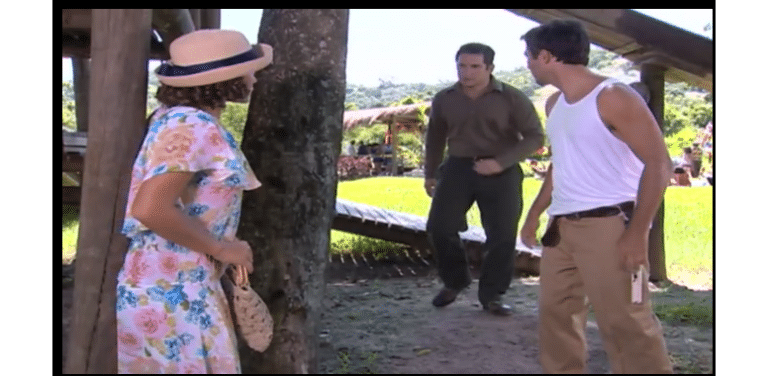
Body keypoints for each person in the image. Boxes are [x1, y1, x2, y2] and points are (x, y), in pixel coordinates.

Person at [519, 20, 674, 373]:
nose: (527, 64)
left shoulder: (614, 97)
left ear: (546, 56)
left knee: (625, 322)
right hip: (562, 229)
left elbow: (659, 164)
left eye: (529, 57)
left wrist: (637, 233)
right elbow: (562, 165)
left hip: (611, 226)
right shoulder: (555, 103)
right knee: (555, 317)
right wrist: (534, 214)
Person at [116, 30, 273, 374]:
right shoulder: (195, 125)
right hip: (176, 293)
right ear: (227, 79)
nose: (254, 77)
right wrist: (221, 248)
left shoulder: (170, 119)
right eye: (248, 69)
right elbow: (151, 207)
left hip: (163, 286)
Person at [424, 42, 545, 316]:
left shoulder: (512, 97)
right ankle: (455, 281)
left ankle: (492, 295)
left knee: (501, 236)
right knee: (440, 228)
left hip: (501, 169)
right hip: (457, 167)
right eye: (462, 66)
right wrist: (430, 173)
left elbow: (535, 136)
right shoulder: (445, 98)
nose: (467, 73)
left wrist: (500, 162)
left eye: (475, 67)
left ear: (490, 68)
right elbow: (435, 137)